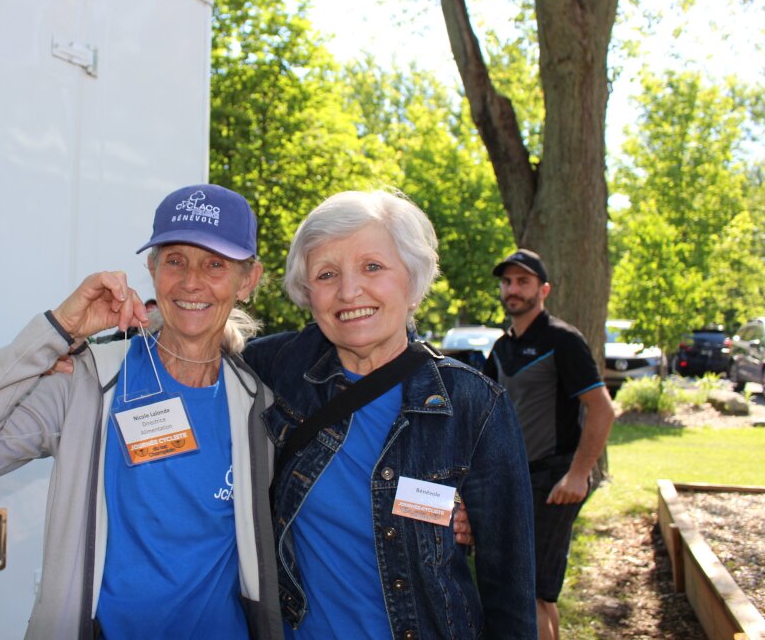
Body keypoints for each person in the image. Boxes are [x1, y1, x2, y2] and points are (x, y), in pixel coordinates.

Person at [0, 184, 283, 640]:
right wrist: (56, 332)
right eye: (175, 260)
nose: (191, 282)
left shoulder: (258, 405)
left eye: (215, 264)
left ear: (247, 280)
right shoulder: (89, 383)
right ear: (152, 269)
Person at [242, 190, 537, 639]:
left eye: (373, 267)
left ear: (412, 281)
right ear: (308, 293)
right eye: (326, 274)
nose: (348, 291)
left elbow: (510, 588)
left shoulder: (473, 404)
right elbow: (194, 349)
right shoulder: (277, 368)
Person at [483, 249, 616, 640]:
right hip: (513, 480)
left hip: (553, 482)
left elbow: (602, 409)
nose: (513, 289)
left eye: (523, 281)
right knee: (539, 593)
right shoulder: (501, 347)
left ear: (543, 290)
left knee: (529, 596)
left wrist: (578, 474)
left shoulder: (563, 340)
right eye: (507, 281)